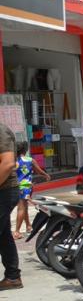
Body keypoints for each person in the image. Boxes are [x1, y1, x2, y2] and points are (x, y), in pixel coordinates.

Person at [0, 124, 21, 290]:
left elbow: (7, 164)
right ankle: (12, 277)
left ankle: (13, 277)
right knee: (4, 235)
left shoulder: (1, 131)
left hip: (4, 191)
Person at [13, 142, 48, 240]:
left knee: (24, 207)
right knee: (22, 208)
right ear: (25, 150)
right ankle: (17, 232)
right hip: (27, 186)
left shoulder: (14, 161)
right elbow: (39, 171)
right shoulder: (30, 160)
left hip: (17, 186)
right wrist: (46, 175)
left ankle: (28, 226)